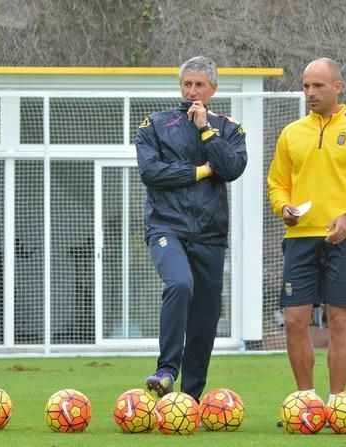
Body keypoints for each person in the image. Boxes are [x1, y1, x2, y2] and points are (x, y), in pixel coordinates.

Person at [267, 57, 346, 409]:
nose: (310, 93)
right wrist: (283, 208)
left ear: (337, 87)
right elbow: (277, 185)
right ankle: (306, 400)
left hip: (345, 239)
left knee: (339, 320)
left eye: (318, 86)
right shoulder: (291, 133)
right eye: (306, 86)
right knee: (294, 320)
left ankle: (337, 402)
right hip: (299, 238)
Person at [135, 56, 247, 402]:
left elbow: (232, 168)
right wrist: (199, 172)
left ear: (213, 89)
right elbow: (151, 173)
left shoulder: (229, 129)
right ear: (179, 85)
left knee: (206, 315)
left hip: (210, 235)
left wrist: (205, 130)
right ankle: (166, 370)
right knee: (179, 283)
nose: (192, 91)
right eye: (187, 84)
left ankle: (190, 398)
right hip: (166, 226)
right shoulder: (154, 124)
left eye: (199, 85)